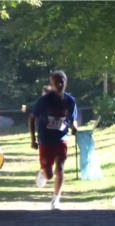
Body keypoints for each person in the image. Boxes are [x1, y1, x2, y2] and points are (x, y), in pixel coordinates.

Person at [29, 71, 78, 210]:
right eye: (56, 82)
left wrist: (74, 127)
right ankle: (43, 172)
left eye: (62, 81)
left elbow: (73, 119)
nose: (60, 84)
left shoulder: (70, 101)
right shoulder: (44, 100)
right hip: (45, 138)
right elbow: (32, 118)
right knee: (49, 174)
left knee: (61, 167)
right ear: (52, 84)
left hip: (61, 137)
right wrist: (33, 139)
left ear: (66, 82)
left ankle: (56, 200)